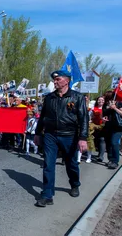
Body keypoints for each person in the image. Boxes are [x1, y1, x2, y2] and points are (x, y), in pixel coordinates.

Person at [34, 70, 88, 207]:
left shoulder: (77, 97)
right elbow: (43, 117)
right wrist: (38, 133)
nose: (55, 82)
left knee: (71, 164)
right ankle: (47, 195)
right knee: (48, 164)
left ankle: (75, 184)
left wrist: (82, 137)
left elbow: (83, 119)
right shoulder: (49, 98)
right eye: (54, 80)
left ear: (66, 81)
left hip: (69, 135)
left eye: (58, 79)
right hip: (50, 135)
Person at [102, 91, 122, 169]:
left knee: (114, 142)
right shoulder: (105, 105)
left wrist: (115, 108)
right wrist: (103, 118)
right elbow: (103, 114)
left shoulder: (119, 104)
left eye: (107, 98)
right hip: (108, 126)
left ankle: (115, 161)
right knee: (108, 144)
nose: (106, 100)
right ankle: (110, 159)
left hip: (117, 127)